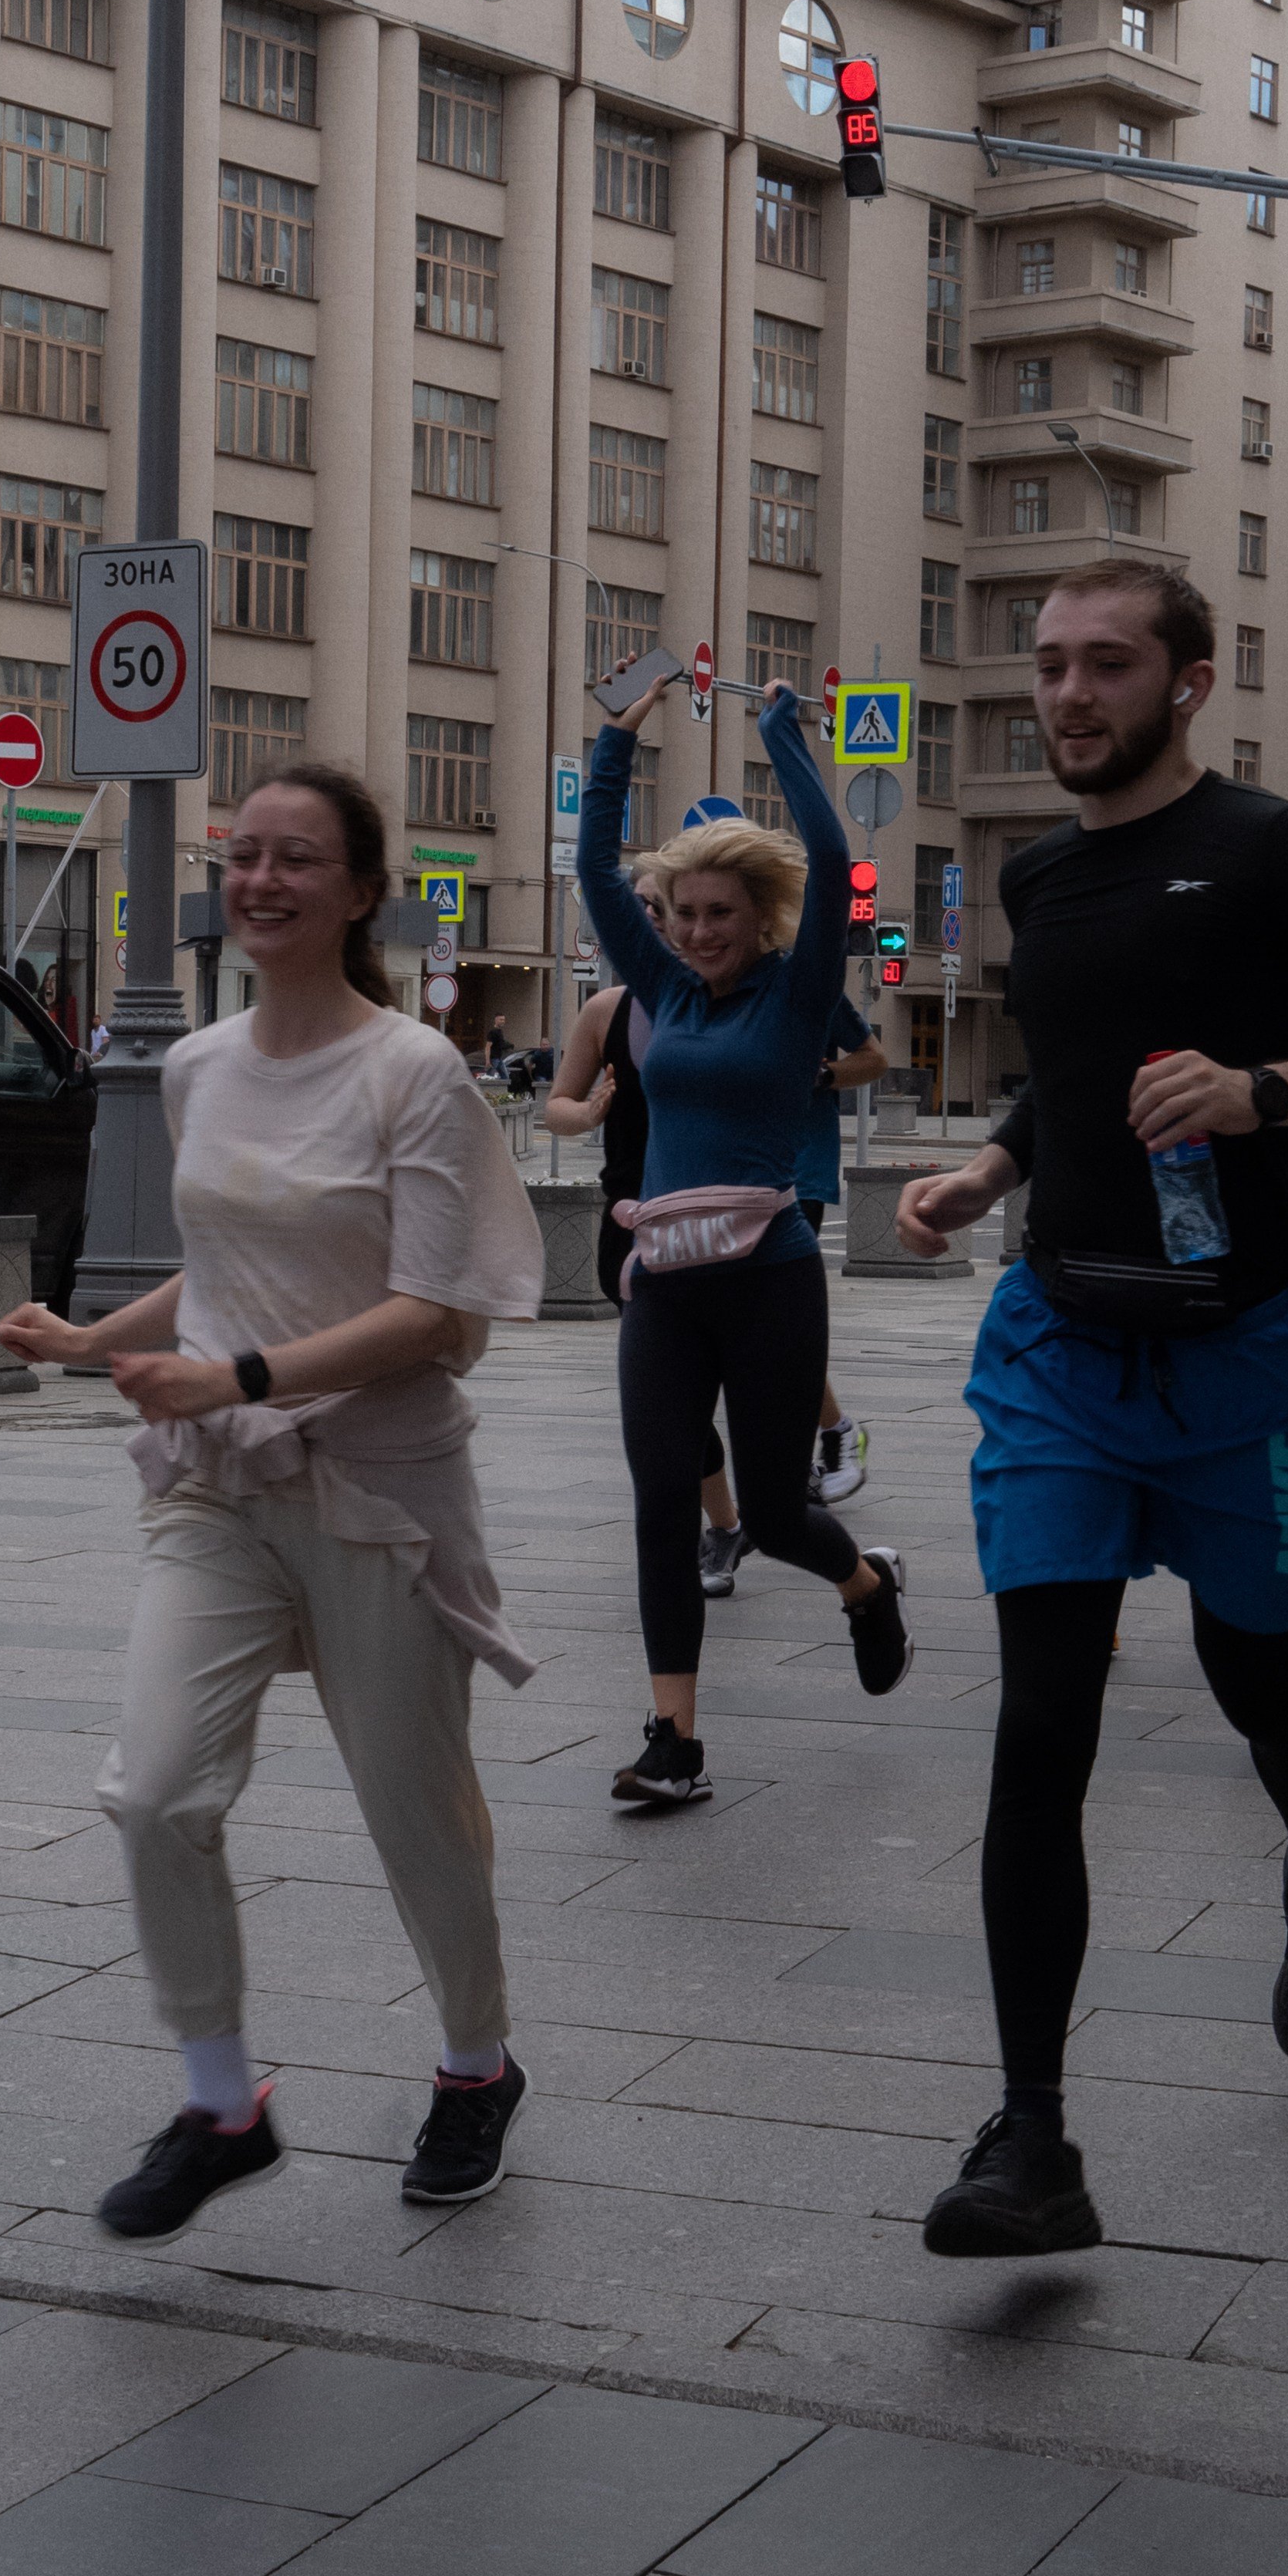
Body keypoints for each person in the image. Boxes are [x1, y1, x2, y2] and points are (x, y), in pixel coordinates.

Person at [0, 758, 545, 2244]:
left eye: (297, 859)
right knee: (156, 1787)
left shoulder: (411, 1073)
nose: (260, 881)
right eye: (243, 856)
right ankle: (221, 2101)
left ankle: (475, 2065)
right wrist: (99, 1337)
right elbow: (228, 1254)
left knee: (417, 1815)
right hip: (221, 1488)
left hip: (380, 1485)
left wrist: (231, 1374)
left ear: (362, 891)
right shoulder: (197, 1064)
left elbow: (435, 1312)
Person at [895, 561, 1288, 2258]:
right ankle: (1034, 2136)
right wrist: (987, 1164)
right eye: (1050, 665)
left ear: (1191, 684)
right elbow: (1066, 1082)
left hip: (1246, 1353)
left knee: (1259, 1670)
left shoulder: (1280, 848)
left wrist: (1263, 1088)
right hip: (1061, 1349)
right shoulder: (1043, 875)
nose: (1067, 694)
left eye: (1107, 666)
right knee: (1040, 1725)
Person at [578, 671, 912, 1807]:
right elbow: (591, 871)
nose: (699, 932)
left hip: (770, 1284)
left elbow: (830, 860)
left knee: (773, 1513)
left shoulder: (800, 983)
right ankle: (674, 1739)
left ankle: (865, 1583)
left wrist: (783, 741)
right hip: (666, 1286)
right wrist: (618, 741)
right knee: (664, 1498)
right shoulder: (662, 994)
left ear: (758, 920)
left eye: (720, 914)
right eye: (685, 916)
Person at [545, 859, 745, 1596]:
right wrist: (590, 1111)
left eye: (661, 907)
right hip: (635, 1226)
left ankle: (760, 1510)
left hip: (724, 1224)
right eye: (637, 908)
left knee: (708, 1394)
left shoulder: (730, 1003)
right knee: (675, 1400)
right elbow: (556, 1108)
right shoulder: (609, 1012)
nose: (650, 921)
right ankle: (721, 1527)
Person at [790, 996, 888, 1502]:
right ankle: (830, 1434)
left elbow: (873, 1058)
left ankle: (831, 1437)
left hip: (796, 1172)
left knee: (780, 1320)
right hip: (723, 1166)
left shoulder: (806, 981)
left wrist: (821, 1075)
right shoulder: (694, 979)